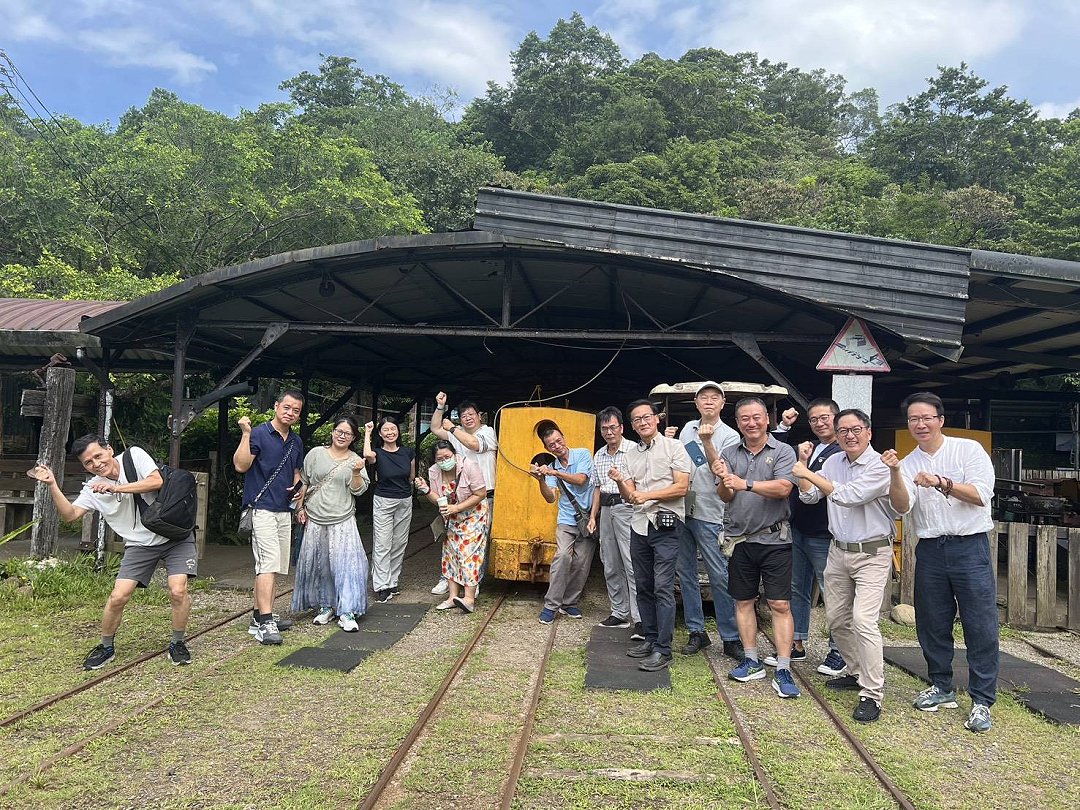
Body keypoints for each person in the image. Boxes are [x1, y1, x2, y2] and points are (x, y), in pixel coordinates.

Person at [884, 392, 999, 733]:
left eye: (926, 418)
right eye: (913, 420)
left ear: (940, 419)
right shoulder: (908, 461)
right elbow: (903, 507)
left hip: (970, 546)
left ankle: (981, 700)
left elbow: (981, 495)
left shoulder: (968, 450)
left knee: (980, 623)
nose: (920, 424)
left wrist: (941, 483)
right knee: (932, 622)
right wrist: (893, 473)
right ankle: (941, 686)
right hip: (931, 547)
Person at [35, 434, 197, 669]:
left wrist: (116, 487)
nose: (96, 464)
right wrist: (52, 484)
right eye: (88, 463)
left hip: (174, 535)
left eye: (98, 456)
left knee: (177, 590)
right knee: (118, 596)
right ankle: (106, 646)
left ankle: (177, 643)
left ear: (109, 449)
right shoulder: (92, 488)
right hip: (139, 544)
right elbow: (70, 515)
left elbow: (156, 481)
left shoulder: (134, 456)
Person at [792, 409, 896, 723]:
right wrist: (804, 474)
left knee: (864, 620)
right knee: (837, 620)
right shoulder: (833, 462)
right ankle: (854, 671)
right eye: (843, 431)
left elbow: (850, 496)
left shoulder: (880, 466)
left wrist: (809, 473)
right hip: (838, 550)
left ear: (868, 432)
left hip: (872, 552)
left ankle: (872, 694)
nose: (849, 435)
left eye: (855, 429)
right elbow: (811, 499)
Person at [715, 397, 799, 698]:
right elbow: (725, 495)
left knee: (780, 604)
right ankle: (751, 660)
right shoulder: (728, 452)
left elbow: (784, 488)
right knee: (743, 601)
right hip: (740, 540)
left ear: (767, 419)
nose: (751, 423)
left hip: (775, 539)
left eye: (757, 417)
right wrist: (725, 480)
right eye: (744, 419)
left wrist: (744, 483)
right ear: (737, 423)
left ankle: (784, 667)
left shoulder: (783, 451)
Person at [766, 398, 849, 678]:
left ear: (837, 418)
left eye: (825, 417)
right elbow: (776, 450)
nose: (819, 423)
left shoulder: (843, 450)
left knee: (832, 593)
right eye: (814, 419)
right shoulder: (810, 448)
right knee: (797, 588)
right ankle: (797, 642)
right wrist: (784, 426)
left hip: (825, 532)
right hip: (799, 528)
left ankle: (839, 651)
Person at [609, 399, 692, 673]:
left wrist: (647, 495)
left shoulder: (674, 447)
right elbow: (629, 496)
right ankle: (650, 637)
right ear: (631, 426)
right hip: (639, 525)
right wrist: (621, 481)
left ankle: (663, 649)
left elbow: (681, 487)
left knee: (663, 587)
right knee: (643, 584)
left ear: (657, 419)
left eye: (646, 417)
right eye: (637, 419)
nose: (642, 422)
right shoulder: (631, 455)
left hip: (666, 526)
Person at [674, 381, 744, 661]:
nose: (709, 402)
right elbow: (681, 462)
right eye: (704, 397)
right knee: (686, 574)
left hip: (712, 513)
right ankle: (696, 631)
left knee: (719, 575)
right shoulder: (686, 428)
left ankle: (730, 636)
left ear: (723, 403)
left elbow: (721, 474)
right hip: (683, 509)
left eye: (715, 398)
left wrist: (706, 442)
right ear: (696, 402)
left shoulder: (729, 435)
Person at [233, 389, 304, 645]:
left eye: (296, 410)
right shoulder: (260, 433)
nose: (291, 413)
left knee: (274, 566)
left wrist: (298, 491)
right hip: (261, 507)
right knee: (267, 565)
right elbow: (241, 465)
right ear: (276, 406)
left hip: (284, 509)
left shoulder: (296, 441)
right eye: (287, 407)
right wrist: (246, 434)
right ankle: (265, 623)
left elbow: (296, 473)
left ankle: (260, 616)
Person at [291, 417, 371, 632]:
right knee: (321, 565)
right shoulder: (316, 454)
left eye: (347, 433)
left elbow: (358, 490)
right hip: (315, 517)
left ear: (354, 438)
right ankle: (326, 606)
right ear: (332, 432)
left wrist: (355, 472)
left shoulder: (356, 460)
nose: (342, 435)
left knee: (347, 566)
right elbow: (305, 483)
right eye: (339, 431)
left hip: (342, 518)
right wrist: (299, 508)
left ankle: (347, 610)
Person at [429, 391, 498, 595]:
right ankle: (448, 577)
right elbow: (434, 427)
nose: (467, 418)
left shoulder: (487, 432)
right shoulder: (456, 435)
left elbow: (473, 445)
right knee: (451, 537)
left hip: (484, 494)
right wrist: (440, 407)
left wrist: (453, 427)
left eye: (471, 414)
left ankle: (473, 583)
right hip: (458, 494)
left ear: (479, 416)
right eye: (463, 415)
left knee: (478, 540)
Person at [531, 423, 596, 624]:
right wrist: (541, 480)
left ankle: (569, 603)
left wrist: (555, 473)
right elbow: (550, 498)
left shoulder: (583, 454)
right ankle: (551, 606)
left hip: (589, 517)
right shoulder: (551, 469)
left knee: (581, 563)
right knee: (562, 557)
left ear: (564, 438)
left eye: (558, 441)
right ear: (547, 448)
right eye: (551, 445)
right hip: (567, 519)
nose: (557, 446)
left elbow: (581, 480)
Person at [586, 406, 641, 639]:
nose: (608, 432)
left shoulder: (633, 450)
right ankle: (619, 612)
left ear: (621, 428)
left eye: (612, 427)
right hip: (607, 509)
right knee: (609, 561)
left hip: (628, 507)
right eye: (604, 428)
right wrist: (592, 516)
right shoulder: (599, 455)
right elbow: (597, 488)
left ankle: (640, 618)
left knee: (631, 563)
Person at [416, 440, 488, 613]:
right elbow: (436, 499)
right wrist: (426, 490)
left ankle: (469, 598)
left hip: (474, 515)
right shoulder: (434, 471)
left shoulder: (469, 466)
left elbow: (481, 493)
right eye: (440, 458)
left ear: (454, 454)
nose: (444, 460)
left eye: (447, 456)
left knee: (469, 554)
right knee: (450, 555)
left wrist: (457, 507)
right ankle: (452, 598)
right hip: (451, 518)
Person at [363, 416, 417, 603]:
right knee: (383, 543)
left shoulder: (408, 453)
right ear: (380, 433)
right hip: (384, 500)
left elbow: (411, 476)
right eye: (386, 430)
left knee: (399, 542)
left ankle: (393, 580)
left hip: (404, 499)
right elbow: (367, 455)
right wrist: (367, 433)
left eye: (393, 428)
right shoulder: (377, 453)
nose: (390, 432)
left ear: (398, 431)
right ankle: (381, 585)